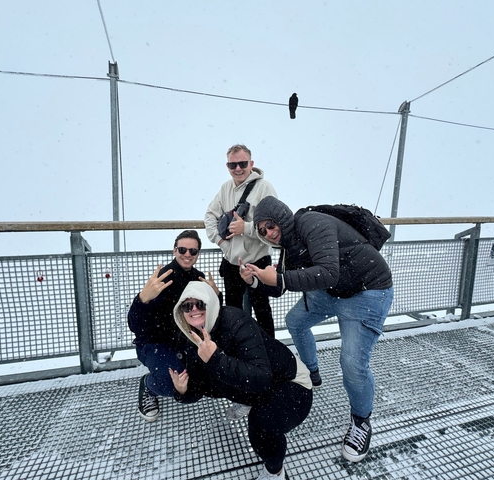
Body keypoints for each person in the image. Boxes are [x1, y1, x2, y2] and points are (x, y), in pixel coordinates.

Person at [242, 196, 394, 463]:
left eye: (270, 225)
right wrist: (256, 281)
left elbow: (328, 272)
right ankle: (313, 373)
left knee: (352, 364)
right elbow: (280, 287)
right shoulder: (287, 246)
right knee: (295, 322)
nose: (268, 233)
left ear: (282, 217)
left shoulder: (312, 223)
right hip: (334, 291)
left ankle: (361, 421)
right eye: (262, 230)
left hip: (368, 291)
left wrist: (279, 277)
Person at [169, 281, 312, 480]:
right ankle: (248, 401)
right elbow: (200, 386)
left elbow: (262, 377)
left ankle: (275, 472)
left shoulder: (236, 321)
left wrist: (216, 358)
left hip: (292, 383)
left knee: (260, 426)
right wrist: (182, 391)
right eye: (187, 306)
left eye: (200, 304)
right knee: (217, 376)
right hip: (257, 387)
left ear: (210, 304)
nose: (194, 310)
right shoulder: (191, 338)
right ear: (180, 311)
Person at [127, 230, 218, 422]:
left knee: (208, 372)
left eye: (192, 251)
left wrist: (216, 296)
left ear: (198, 254)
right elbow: (135, 325)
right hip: (154, 343)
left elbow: (211, 314)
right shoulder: (162, 279)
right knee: (171, 385)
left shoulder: (199, 278)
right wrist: (142, 299)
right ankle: (149, 385)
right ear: (174, 250)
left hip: (185, 342)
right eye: (182, 249)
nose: (187, 254)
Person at [204, 144, 278, 338]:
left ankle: (269, 354)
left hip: (258, 260)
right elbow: (210, 216)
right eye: (232, 165)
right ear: (227, 166)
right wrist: (221, 242)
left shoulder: (264, 188)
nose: (238, 169)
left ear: (251, 164)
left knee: (262, 310)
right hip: (232, 261)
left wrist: (245, 228)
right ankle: (237, 349)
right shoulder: (226, 188)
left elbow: (273, 227)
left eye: (242, 163)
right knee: (233, 309)